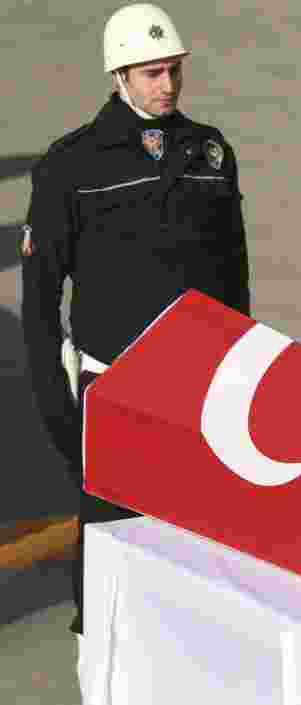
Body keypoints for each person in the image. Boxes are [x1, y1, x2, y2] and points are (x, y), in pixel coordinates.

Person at [20, 0, 249, 655]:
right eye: (152, 73)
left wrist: (241, 381)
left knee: (203, 564)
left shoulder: (210, 152)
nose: (168, 84)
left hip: (200, 398)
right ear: (118, 76)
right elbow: (40, 305)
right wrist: (63, 418)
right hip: (115, 396)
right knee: (112, 570)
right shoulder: (71, 164)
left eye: (174, 69)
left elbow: (235, 277)